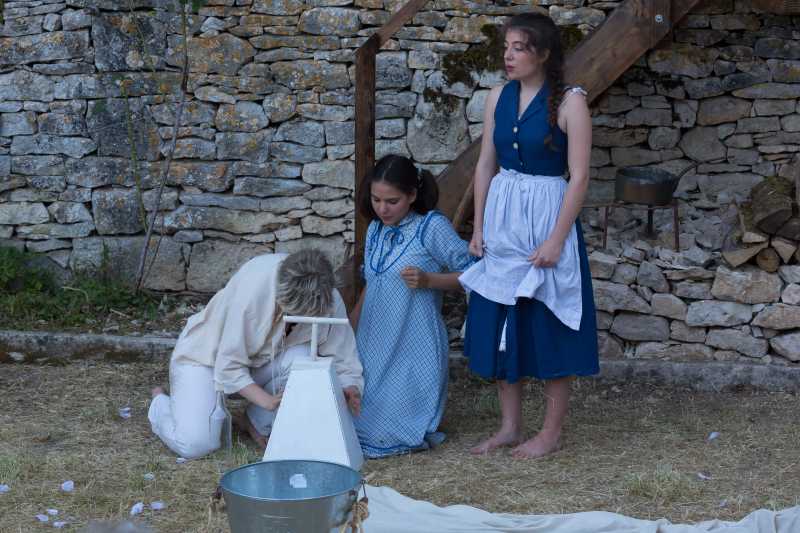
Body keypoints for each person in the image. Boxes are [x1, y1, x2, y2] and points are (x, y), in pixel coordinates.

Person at [458, 12, 599, 459]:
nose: (509, 56)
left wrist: (556, 240)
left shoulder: (570, 103)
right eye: (507, 47)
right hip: (503, 221)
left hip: (546, 218)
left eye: (519, 48)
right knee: (501, 317)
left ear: (543, 53)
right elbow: (486, 164)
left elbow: (579, 177)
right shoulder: (497, 97)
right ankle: (510, 427)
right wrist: (479, 226)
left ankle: (550, 433)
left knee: (549, 321)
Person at [148, 249, 364, 459]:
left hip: (259, 366)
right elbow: (228, 366)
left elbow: (342, 354)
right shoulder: (254, 284)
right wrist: (268, 402)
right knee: (196, 444)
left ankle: (254, 420)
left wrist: (349, 387)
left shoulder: (327, 296)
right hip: (205, 360)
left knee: (304, 357)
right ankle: (160, 402)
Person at [351, 154, 473, 458]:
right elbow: (374, 281)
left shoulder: (431, 227)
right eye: (376, 200)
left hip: (413, 345)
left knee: (385, 434)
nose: (382, 208)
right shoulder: (376, 229)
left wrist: (430, 280)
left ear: (412, 195)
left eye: (392, 201)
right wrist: (352, 322)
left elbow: (476, 274)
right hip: (374, 341)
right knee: (349, 430)